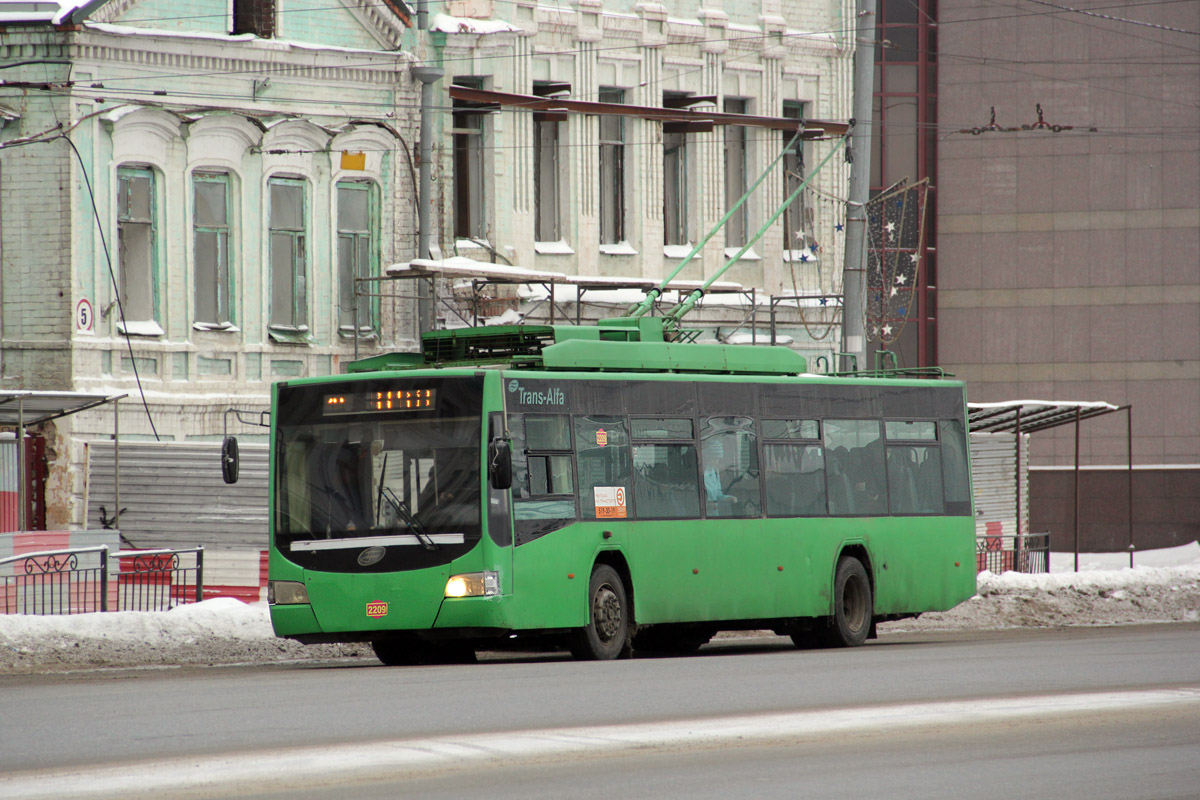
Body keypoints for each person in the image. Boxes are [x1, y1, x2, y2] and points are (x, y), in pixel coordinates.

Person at [703, 439, 734, 515]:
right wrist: (708, 505)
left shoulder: (716, 473)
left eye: (718, 458)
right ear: (707, 457)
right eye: (714, 458)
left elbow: (718, 495)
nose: (716, 461)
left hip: (714, 515)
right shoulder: (701, 474)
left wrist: (728, 498)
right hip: (702, 515)